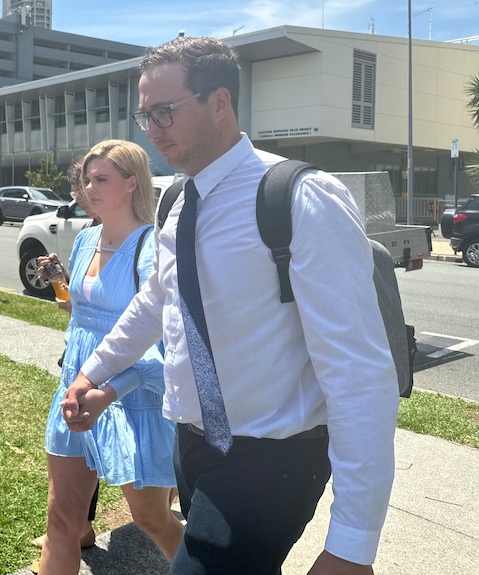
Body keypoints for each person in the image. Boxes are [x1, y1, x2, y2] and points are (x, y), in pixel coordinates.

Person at [63, 36, 399, 574]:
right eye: (144, 114)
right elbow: (158, 301)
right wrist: (93, 371)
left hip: (272, 458)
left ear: (219, 102)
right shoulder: (175, 198)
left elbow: (359, 372)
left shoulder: (299, 197)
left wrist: (352, 546)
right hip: (191, 446)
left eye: (164, 112)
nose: (150, 130)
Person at [38, 140, 183, 575]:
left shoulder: (152, 247)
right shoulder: (84, 240)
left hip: (132, 395)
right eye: (87, 179)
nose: (89, 188)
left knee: (152, 519)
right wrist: (60, 286)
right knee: (62, 520)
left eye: (101, 179)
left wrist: (110, 390)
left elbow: (157, 342)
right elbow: (82, 315)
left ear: (131, 183)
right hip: (77, 388)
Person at [31, 156, 101, 550]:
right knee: (77, 445)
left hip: (109, 359)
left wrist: (68, 292)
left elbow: (100, 308)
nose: (83, 195)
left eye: (92, 183)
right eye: (81, 187)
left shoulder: (134, 236)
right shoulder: (91, 234)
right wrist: (61, 279)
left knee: (147, 506)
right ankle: (76, 528)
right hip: (80, 351)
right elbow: (77, 301)